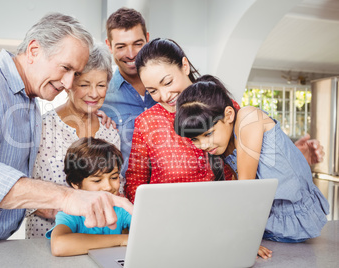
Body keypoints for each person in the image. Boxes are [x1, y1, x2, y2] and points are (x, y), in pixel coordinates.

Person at [0, 12, 132, 267]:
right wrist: (66, 198)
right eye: (66, 68)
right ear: (34, 50)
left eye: (76, 73)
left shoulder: (28, 101)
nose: (68, 83)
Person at [126, 37, 325, 203]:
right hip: (167, 225)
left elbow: (251, 165)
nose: (164, 95)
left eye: (167, 82)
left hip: (227, 220)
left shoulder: (225, 106)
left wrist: (290, 154)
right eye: (152, 91)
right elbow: (135, 186)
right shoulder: (146, 123)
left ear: (184, 66)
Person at [174, 75, 329, 244]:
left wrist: (246, 240)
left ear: (229, 114)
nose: (203, 145)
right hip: (268, 226)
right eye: (194, 139)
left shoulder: (249, 117)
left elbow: (246, 189)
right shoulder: (224, 146)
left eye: (208, 134)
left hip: (294, 221)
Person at [25, 43, 121, 239]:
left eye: (101, 85)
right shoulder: (41, 127)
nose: (94, 94)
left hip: (99, 238)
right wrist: (74, 214)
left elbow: (117, 187)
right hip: (46, 237)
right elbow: (23, 189)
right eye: (84, 84)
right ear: (68, 85)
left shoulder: (110, 132)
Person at [46, 137, 131, 256]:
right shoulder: (70, 212)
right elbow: (59, 245)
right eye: (97, 180)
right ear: (76, 183)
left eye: (114, 177)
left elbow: (152, 231)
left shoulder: (121, 209)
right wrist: (122, 239)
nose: (107, 187)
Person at [100, 7, 157, 178]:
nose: (131, 54)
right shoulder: (101, 98)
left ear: (147, 39)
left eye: (137, 44)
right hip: (123, 196)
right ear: (109, 46)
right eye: (121, 46)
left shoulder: (171, 91)